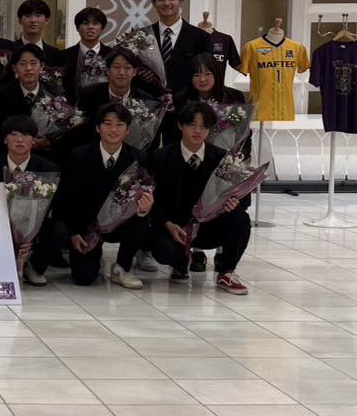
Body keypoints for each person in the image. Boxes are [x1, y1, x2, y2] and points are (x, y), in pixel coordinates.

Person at [148, 101, 252, 296]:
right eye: (192, 125)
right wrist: (167, 223)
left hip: (209, 226)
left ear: (210, 130)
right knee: (163, 249)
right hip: (174, 227)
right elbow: (150, 200)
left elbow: (244, 198)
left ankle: (227, 271)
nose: (197, 131)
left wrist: (235, 203)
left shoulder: (222, 158)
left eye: (204, 126)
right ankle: (180, 264)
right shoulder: (160, 157)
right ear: (180, 125)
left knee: (240, 218)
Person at [57, 102, 152, 290]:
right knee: (83, 277)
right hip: (87, 226)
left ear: (127, 130)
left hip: (121, 224)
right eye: (108, 124)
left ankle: (122, 267)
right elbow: (65, 199)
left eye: (120, 125)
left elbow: (143, 194)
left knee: (142, 217)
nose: (113, 130)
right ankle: (95, 259)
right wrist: (74, 232)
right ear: (97, 128)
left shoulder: (138, 158)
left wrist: (145, 207)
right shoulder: (78, 156)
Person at [0, 114, 65, 287]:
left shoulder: (48, 169)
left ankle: (34, 267)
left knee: (58, 229)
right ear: (5, 139)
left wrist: (32, 237)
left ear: (33, 140)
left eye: (25, 135)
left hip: (33, 227)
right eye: (13, 134)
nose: (19, 140)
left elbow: (52, 208)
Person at [166, 53, 247, 152]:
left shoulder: (234, 96)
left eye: (208, 74)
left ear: (216, 74)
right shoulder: (181, 99)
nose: (202, 79)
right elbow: (174, 134)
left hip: (225, 154)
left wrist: (241, 155)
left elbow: (243, 132)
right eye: (196, 75)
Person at [0, 44, 54, 153]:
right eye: (22, 64)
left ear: (42, 66)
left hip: (45, 154)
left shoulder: (54, 93)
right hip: (10, 154)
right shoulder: (0, 96)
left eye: (33, 63)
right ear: (14, 68)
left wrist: (48, 141)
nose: (28, 68)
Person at [149, 0, 210, 93]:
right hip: (150, 100)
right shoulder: (142, 36)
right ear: (153, 3)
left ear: (181, 0)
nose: (166, 3)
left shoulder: (201, 37)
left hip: (187, 101)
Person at [61, 6, 111, 103]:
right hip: (71, 108)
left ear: (102, 28)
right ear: (77, 28)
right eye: (85, 23)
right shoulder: (63, 56)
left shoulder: (111, 54)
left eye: (95, 23)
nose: (90, 27)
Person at [15, 0, 68, 75]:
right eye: (28, 16)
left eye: (38, 16)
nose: (33, 20)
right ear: (20, 20)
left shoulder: (57, 55)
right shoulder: (10, 50)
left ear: (47, 20)